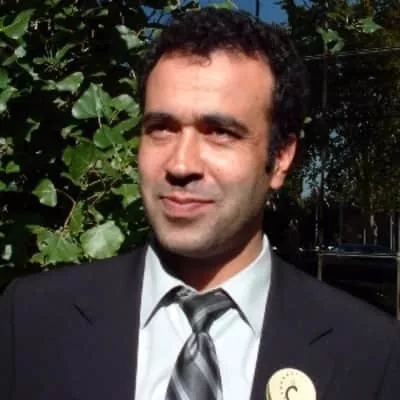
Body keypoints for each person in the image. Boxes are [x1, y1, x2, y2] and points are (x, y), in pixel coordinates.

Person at [1, 8, 399, 400]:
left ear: (280, 158)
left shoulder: (370, 354)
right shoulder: (33, 320)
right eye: (161, 129)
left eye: (220, 132)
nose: (180, 164)